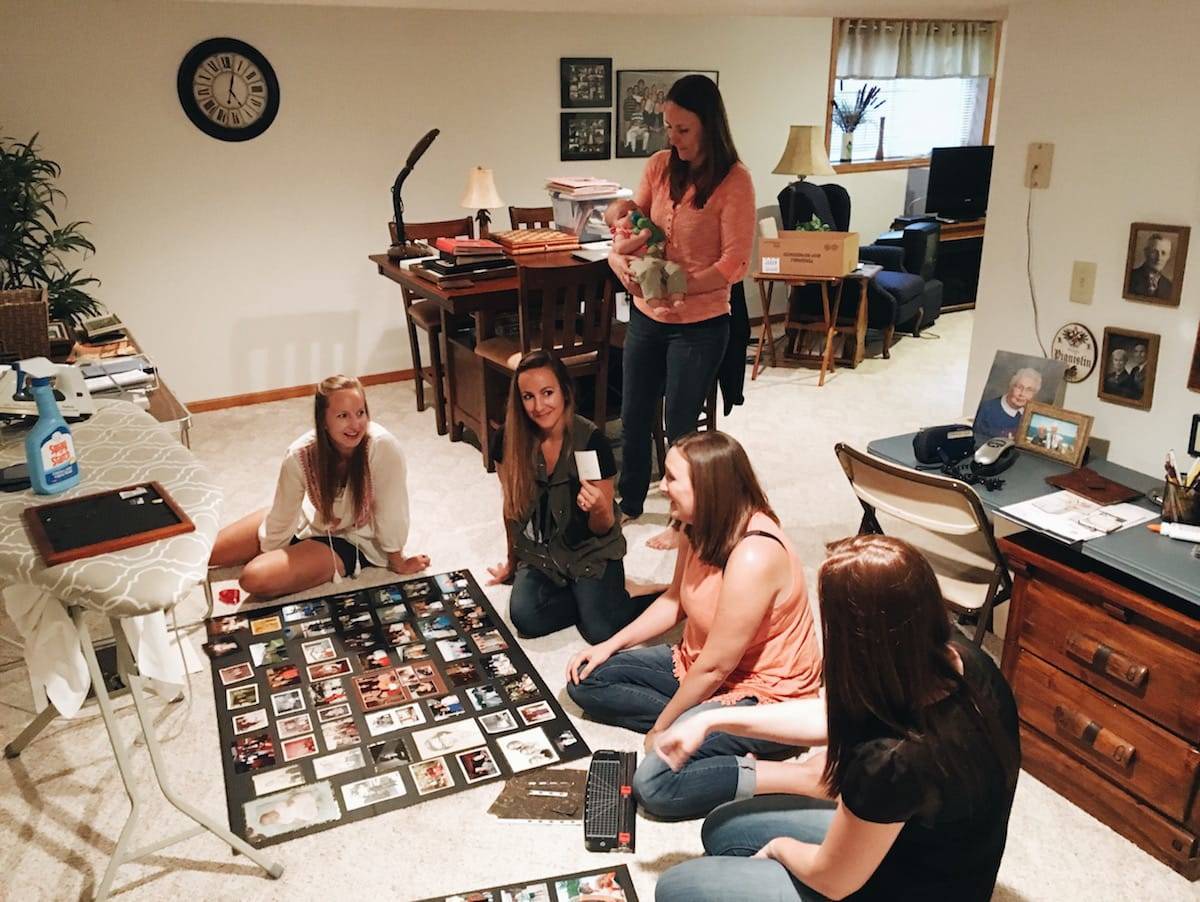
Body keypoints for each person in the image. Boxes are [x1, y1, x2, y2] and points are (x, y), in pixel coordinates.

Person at [653, 535, 1021, 902]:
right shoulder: (964, 661)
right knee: (723, 829)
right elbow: (827, 716)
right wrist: (711, 721)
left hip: (903, 886)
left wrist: (781, 848)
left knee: (678, 888)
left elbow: (833, 880)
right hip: (930, 856)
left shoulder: (891, 760)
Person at [566, 431, 822, 820]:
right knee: (586, 679)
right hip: (698, 665)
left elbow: (719, 666)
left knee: (654, 784)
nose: (663, 487)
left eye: (671, 479)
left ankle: (795, 774)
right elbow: (673, 602)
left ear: (707, 487)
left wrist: (663, 728)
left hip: (764, 691)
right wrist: (608, 646)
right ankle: (698, 719)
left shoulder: (755, 553)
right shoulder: (693, 524)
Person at [604, 74, 756, 551]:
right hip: (648, 318)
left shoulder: (735, 182)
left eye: (683, 129)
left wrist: (678, 284)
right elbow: (641, 220)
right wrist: (624, 237)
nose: (672, 138)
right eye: (668, 126)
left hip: (701, 326)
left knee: (681, 430)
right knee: (632, 415)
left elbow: (734, 264)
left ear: (709, 126)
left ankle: (684, 521)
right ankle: (627, 503)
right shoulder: (658, 166)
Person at [208, 375, 429, 598]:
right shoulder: (300, 454)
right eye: (343, 415)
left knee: (253, 578)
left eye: (360, 413)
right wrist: (274, 552)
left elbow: (391, 507)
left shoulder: (382, 447)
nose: (355, 424)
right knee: (203, 551)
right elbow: (284, 511)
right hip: (304, 517)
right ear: (323, 420)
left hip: (351, 538)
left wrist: (397, 559)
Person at [486, 351, 646, 644]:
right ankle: (594, 598)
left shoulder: (591, 441)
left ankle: (648, 596)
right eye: (528, 396)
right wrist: (511, 563)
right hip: (542, 554)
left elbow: (604, 527)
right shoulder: (508, 439)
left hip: (589, 549)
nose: (539, 406)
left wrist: (599, 508)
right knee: (526, 618)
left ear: (565, 391)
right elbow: (512, 509)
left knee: (600, 631)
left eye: (548, 393)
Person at [972, 366, 1042, 443]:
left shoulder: (1031, 416)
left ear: (1034, 394)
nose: (1022, 394)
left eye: (1029, 390)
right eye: (1019, 387)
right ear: (1011, 386)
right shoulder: (986, 409)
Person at [1127, 233, 1173, 299]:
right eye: (1154, 252)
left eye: (1163, 253)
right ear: (1146, 252)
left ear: (1168, 257)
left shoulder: (1169, 286)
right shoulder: (1130, 277)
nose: (1159, 258)